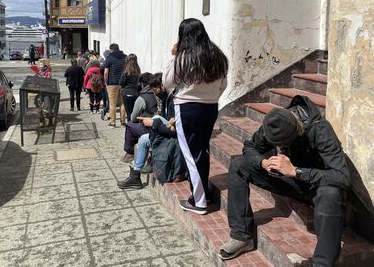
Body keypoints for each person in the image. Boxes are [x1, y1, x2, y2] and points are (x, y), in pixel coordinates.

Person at [219, 96, 350, 266]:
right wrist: (263, 162)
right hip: (291, 181)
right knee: (238, 166)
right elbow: (250, 147)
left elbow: (342, 177)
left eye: (284, 145)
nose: (280, 149)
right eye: (276, 145)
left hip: (316, 186)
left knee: (331, 193)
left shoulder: (320, 130)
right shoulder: (275, 122)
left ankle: (322, 264)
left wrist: (296, 171)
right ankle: (242, 236)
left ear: (297, 132)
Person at [163, 18, 228, 215]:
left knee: (191, 154)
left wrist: (173, 56)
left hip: (187, 108)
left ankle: (199, 201)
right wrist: (211, 96)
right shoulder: (217, 55)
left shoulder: (183, 57)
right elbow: (223, 84)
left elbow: (167, 82)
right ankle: (204, 194)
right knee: (201, 151)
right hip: (210, 107)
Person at [117, 87, 187, 189]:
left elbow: (176, 130)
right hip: (167, 130)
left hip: (176, 136)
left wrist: (153, 123)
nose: (154, 92)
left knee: (138, 131)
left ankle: (136, 172)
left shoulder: (177, 100)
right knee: (146, 134)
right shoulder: (168, 98)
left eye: (155, 89)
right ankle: (136, 173)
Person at [121, 72, 155, 163]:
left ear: (142, 84)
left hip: (149, 128)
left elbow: (133, 117)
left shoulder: (142, 97)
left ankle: (130, 154)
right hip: (160, 125)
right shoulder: (160, 93)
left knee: (130, 125)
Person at [103, 43, 127, 127]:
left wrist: (105, 82)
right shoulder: (125, 57)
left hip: (112, 83)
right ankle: (123, 122)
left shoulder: (109, 58)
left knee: (112, 103)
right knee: (122, 103)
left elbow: (106, 73)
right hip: (123, 83)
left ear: (111, 49)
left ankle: (112, 121)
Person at [119, 54, 141, 123]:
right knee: (134, 113)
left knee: (129, 113)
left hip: (126, 93)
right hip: (135, 93)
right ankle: (133, 126)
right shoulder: (138, 70)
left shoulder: (126, 71)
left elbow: (121, 83)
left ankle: (130, 126)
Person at [100, 50, 111, 120]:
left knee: (108, 99)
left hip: (106, 82)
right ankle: (105, 109)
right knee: (110, 100)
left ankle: (105, 109)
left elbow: (101, 69)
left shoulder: (106, 62)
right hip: (109, 82)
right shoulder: (108, 61)